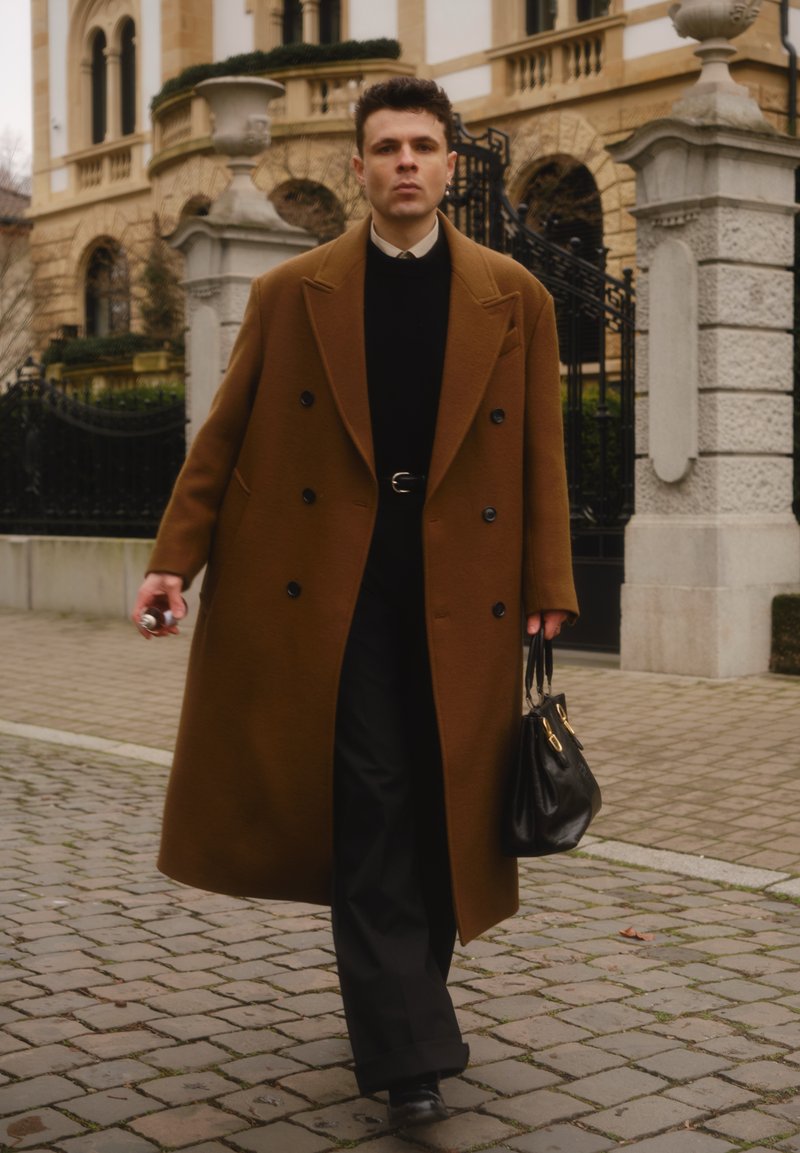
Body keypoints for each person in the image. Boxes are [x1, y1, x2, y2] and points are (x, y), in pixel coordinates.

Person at [132, 76, 577, 1129]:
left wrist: (551, 581)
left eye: (424, 145)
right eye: (387, 148)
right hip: (334, 595)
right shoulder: (295, 291)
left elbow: (542, 454)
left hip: (463, 595)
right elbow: (226, 434)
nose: (407, 163)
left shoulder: (515, 295)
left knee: (440, 807)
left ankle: (403, 1008)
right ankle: (408, 1049)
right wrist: (172, 560)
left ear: (450, 163)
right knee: (372, 806)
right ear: (357, 167)